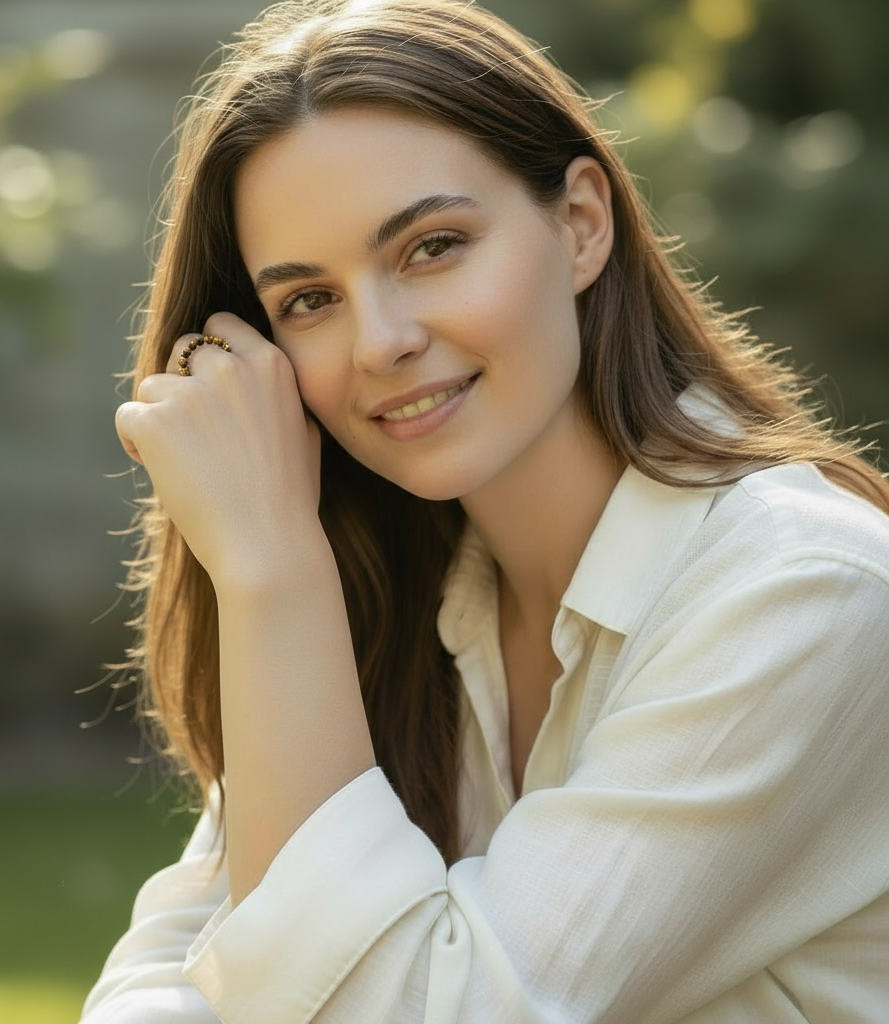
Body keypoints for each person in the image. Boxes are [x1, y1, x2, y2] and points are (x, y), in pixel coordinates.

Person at [81, 0, 889, 1020]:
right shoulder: (388, 594)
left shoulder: (806, 596)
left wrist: (270, 564)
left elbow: (417, 1006)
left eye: (432, 246)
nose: (380, 341)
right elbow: (175, 970)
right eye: (308, 302)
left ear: (580, 224)